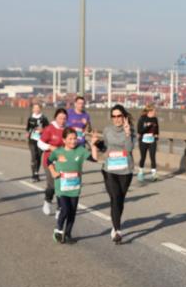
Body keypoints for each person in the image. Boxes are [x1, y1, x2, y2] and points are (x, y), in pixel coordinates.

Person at [94, 104, 135, 244]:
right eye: (114, 116)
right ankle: (117, 230)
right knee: (115, 196)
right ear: (111, 118)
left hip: (126, 170)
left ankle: (115, 224)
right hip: (110, 169)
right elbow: (105, 147)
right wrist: (97, 144)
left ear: (124, 117)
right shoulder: (107, 130)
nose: (117, 119)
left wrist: (128, 132)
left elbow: (129, 149)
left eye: (119, 116)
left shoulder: (130, 130)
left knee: (120, 199)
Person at [47, 127, 92, 244]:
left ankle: (68, 234)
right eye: (70, 139)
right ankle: (58, 230)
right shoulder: (58, 152)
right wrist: (53, 171)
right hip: (61, 187)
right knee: (65, 210)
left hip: (74, 187)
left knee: (72, 212)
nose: (73, 141)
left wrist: (94, 145)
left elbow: (94, 158)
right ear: (64, 140)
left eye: (75, 138)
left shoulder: (80, 150)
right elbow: (49, 161)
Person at [37, 108, 70, 216]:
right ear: (56, 117)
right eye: (60, 118)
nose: (62, 120)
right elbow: (40, 143)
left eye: (64, 118)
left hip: (63, 162)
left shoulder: (67, 130)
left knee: (62, 186)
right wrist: (50, 147)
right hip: (49, 161)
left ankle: (60, 208)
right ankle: (47, 200)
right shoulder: (49, 129)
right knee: (52, 185)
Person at [25, 103, 49, 181]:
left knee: (38, 157)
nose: (36, 109)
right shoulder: (30, 118)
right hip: (32, 140)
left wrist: (43, 130)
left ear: (40, 109)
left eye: (37, 108)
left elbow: (48, 129)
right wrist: (28, 132)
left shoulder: (44, 118)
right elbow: (28, 128)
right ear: (32, 109)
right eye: (34, 108)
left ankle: (36, 173)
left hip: (41, 140)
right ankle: (34, 174)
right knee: (34, 156)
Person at [136, 104, 159, 181]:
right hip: (143, 141)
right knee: (143, 157)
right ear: (150, 111)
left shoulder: (155, 119)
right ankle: (140, 172)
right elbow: (139, 131)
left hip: (152, 140)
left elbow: (157, 128)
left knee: (153, 157)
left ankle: (154, 173)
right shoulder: (142, 119)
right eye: (154, 111)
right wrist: (147, 126)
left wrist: (156, 134)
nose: (155, 112)